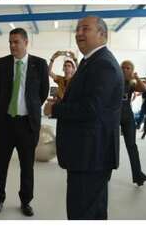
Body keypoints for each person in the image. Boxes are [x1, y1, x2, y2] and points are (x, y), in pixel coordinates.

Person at [43, 16, 123, 220]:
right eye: (78, 29)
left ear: (102, 35)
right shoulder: (91, 62)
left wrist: (55, 109)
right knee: (90, 211)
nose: (79, 33)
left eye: (85, 29)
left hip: (92, 155)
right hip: (86, 154)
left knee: (83, 213)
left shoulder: (103, 64)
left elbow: (91, 108)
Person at [0, 28, 49, 216]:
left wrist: (28, 108)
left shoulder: (39, 64)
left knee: (27, 167)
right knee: (1, 165)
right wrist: (10, 107)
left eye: (16, 42)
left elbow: (43, 93)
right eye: (10, 42)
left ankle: (26, 202)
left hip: (27, 125)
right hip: (6, 123)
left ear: (26, 42)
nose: (12, 46)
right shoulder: (2, 63)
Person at [119, 61, 146, 185]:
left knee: (132, 145)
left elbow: (144, 88)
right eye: (123, 67)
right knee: (111, 145)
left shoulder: (132, 82)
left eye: (128, 68)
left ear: (132, 70)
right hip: (114, 115)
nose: (125, 70)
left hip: (127, 115)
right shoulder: (115, 79)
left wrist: (136, 77)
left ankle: (138, 176)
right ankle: (106, 174)